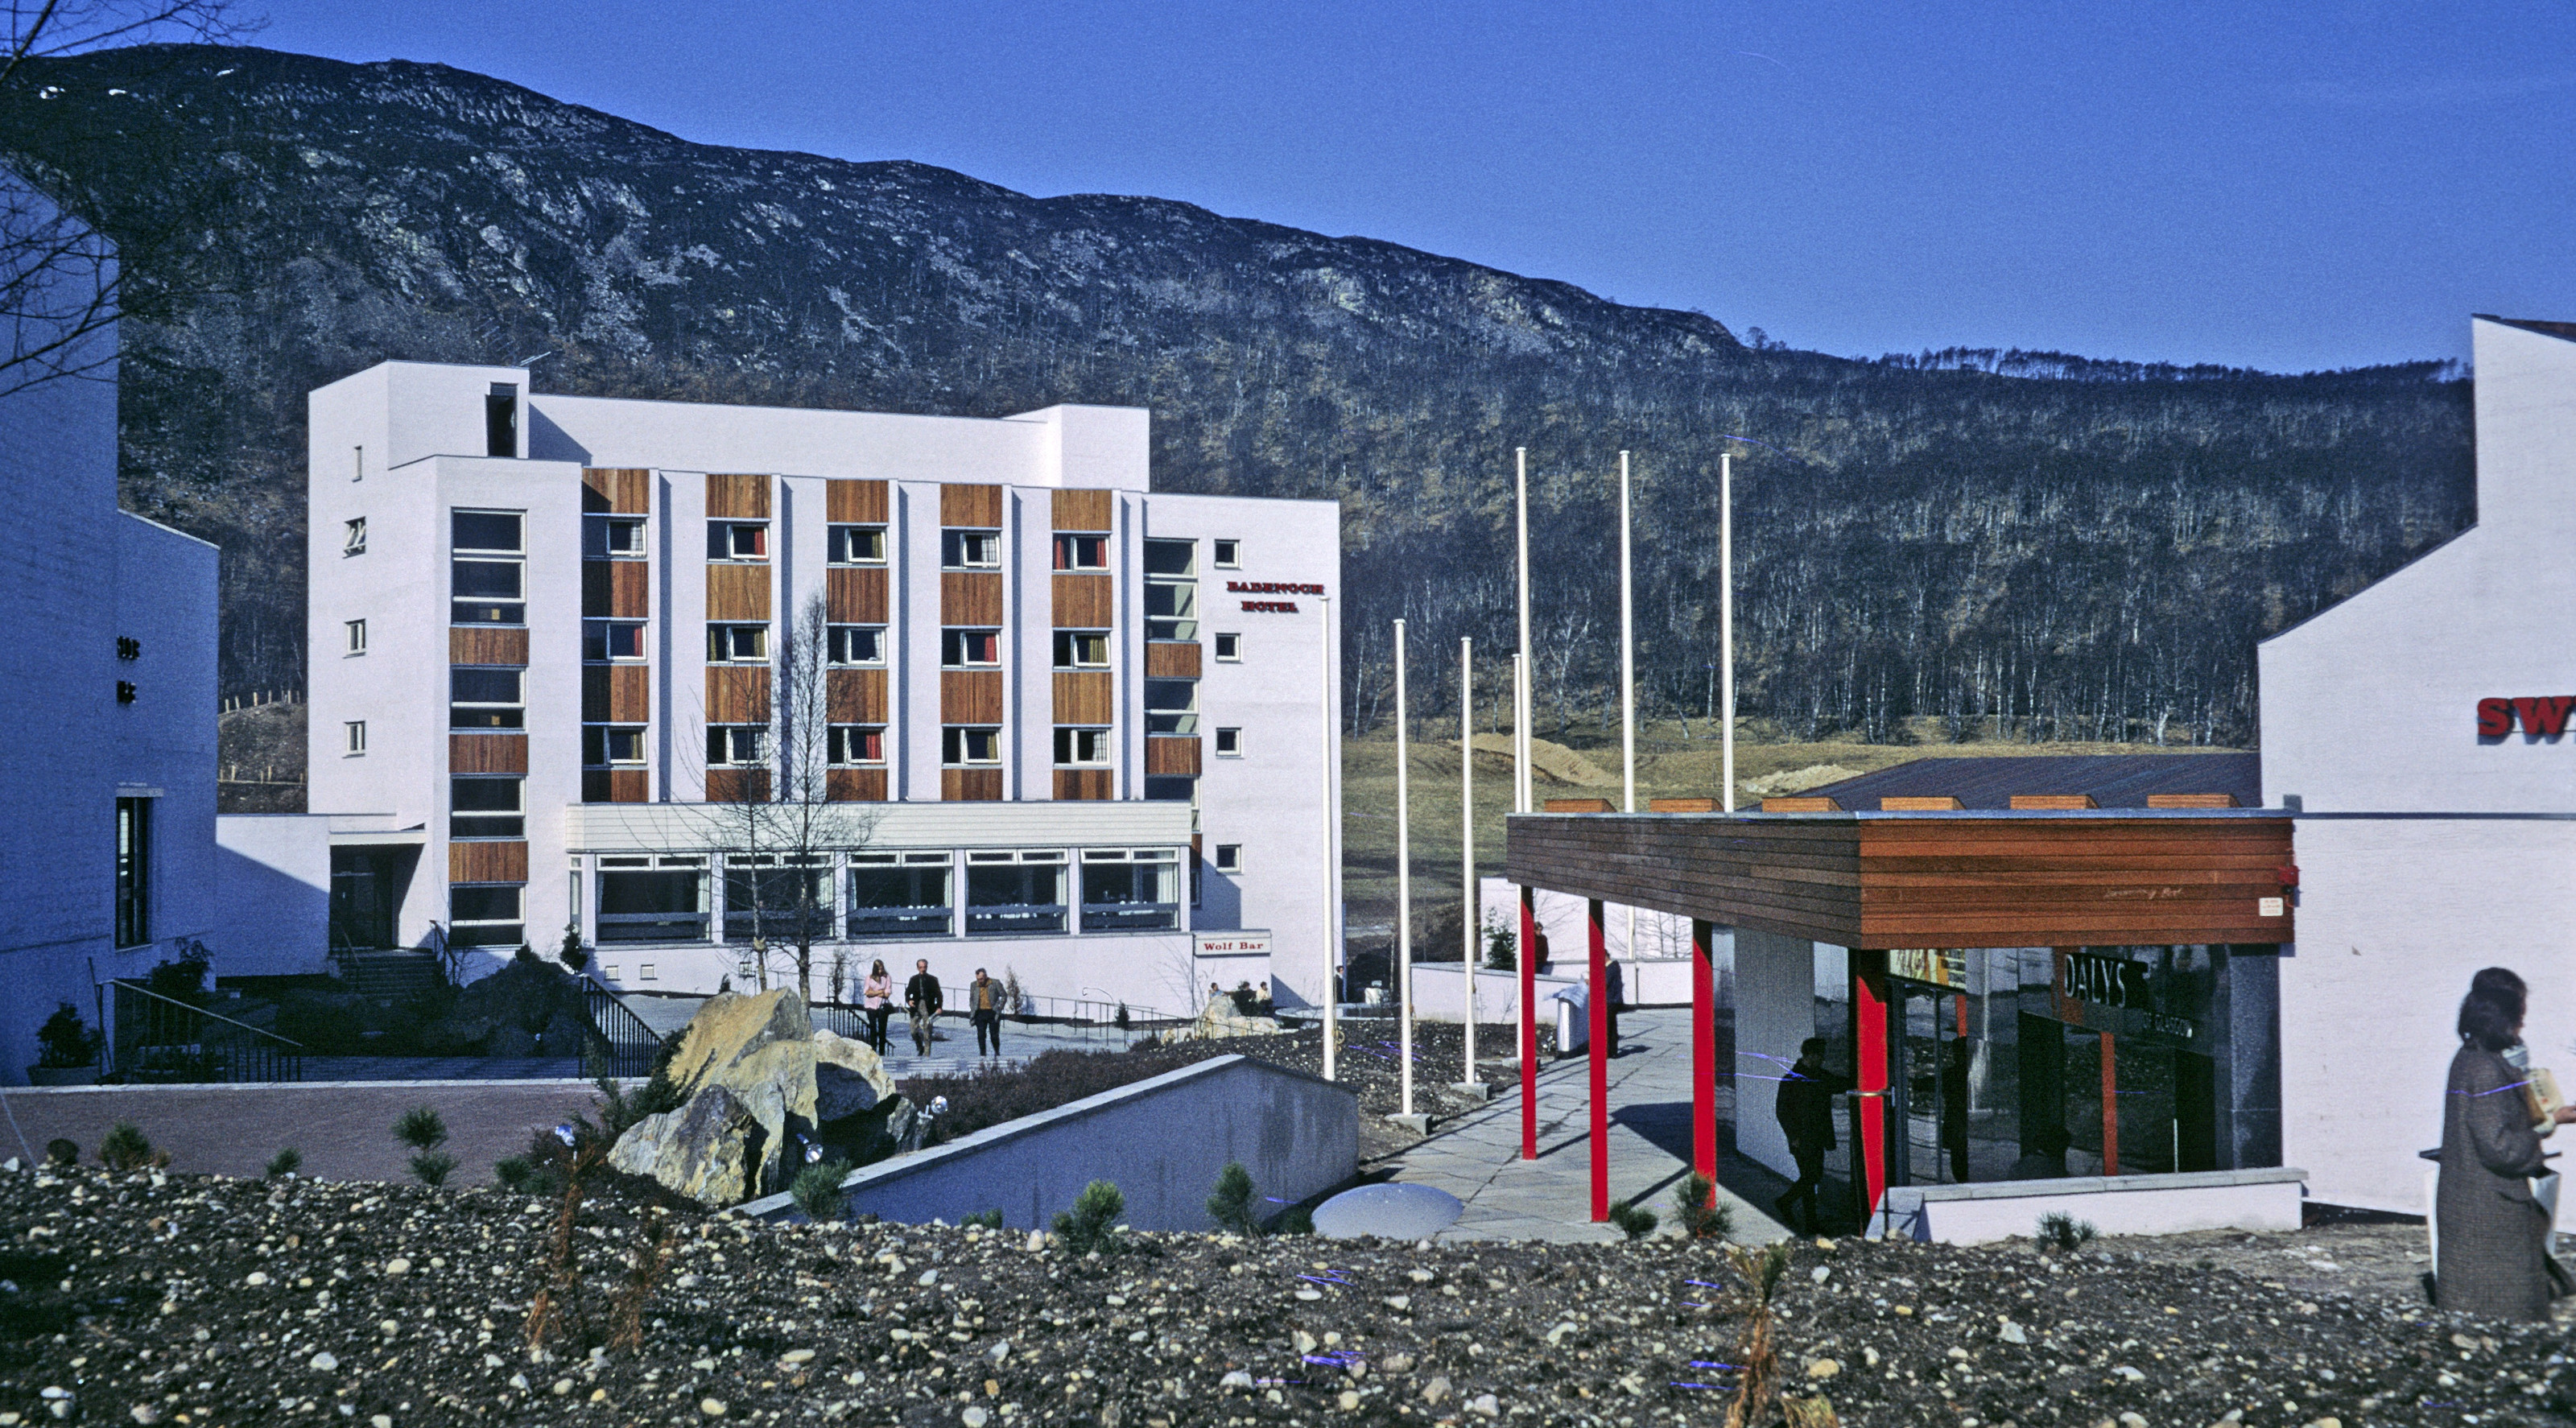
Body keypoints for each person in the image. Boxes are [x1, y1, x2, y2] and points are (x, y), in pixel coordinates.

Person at [2436, 977, 2576, 1319]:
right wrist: (2544, 1134)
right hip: (2490, 1206)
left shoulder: (2468, 1058)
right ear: (2501, 1021)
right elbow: (2500, 1147)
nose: (2522, 1025)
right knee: (2505, 1310)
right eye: (2519, 1018)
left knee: (2474, 1311)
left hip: (2470, 1200)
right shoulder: (2488, 1070)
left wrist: (2549, 1118)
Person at [1773, 1037, 1852, 1234]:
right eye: (1820, 1055)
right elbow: (1782, 1111)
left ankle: (1809, 1221)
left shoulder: (1816, 1076)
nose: (1823, 1059)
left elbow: (1841, 1084)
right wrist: (1793, 1136)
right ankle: (1788, 1205)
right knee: (1811, 1177)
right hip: (1803, 1139)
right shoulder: (1793, 1079)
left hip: (1813, 1137)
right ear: (1811, 1055)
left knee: (1810, 1178)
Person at [1941, 1038, 1974, 1183]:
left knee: (1958, 1161)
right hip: (1966, 1123)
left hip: (1956, 1123)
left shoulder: (1951, 1074)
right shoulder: (1975, 1072)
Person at [905, 958, 944, 1057]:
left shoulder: (933, 980)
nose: (923, 969)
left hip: (929, 1007)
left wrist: (939, 1006)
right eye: (921, 967)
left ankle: (927, 1054)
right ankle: (920, 1047)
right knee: (913, 1031)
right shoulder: (913, 979)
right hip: (916, 1007)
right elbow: (907, 992)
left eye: (924, 967)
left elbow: (939, 994)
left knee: (927, 1031)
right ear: (917, 968)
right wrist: (909, 1000)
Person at [861, 960, 894, 1054]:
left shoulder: (887, 978)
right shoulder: (869, 978)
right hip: (870, 1006)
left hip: (882, 1006)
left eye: (882, 968)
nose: (881, 971)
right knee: (873, 1028)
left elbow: (887, 993)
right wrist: (880, 991)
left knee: (882, 1029)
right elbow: (867, 992)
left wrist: (874, 992)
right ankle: (873, 1049)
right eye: (879, 969)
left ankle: (882, 1051)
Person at [969, 968, 1003, 1058]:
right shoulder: (974, 985)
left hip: (992, 1012)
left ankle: (997, 1052)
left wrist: (999, 1008)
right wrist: (973, 1009)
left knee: (994, 1035)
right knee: (981, 1035)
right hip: (980, 1013)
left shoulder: (995, 983)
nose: (979, 981)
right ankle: (982, 1054)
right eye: (978, 979)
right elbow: (971, 999)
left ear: (986, 977)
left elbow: (1004, 995)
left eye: (981, 979)